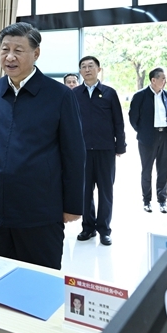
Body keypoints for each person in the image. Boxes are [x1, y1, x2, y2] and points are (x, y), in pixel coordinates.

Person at [0, 22, 85, 270]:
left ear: (36, 53)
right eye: (5, 49)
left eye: (18, 50)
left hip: (40, 210)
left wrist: (73, 205)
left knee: (40, 279)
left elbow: (74, 154)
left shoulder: (59, 95)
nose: (9, 57)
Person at [73, 56, 125, 245]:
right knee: (85, 191)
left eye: (91, 66)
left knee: (105, 191)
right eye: (83, 67)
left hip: (105, 150)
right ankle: (88, 228)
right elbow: (69, 123)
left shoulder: (109, 93)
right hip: (82, 150)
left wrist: (120, 145)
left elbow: (118, 121)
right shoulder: (74, 94)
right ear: (80, 71)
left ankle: (104, 229)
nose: (87, 69)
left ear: (99, 69)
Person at [129, 67, 167, 214]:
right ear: (153, 80)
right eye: (163, 78)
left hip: (164, 135)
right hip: (147, 137)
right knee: (147, 170)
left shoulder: (166, 95)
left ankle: (162, 200)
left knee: (163, 169)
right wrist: (143, 132)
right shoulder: (140, 96)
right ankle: (146, 200)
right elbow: (133, 118)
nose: (165, 81)